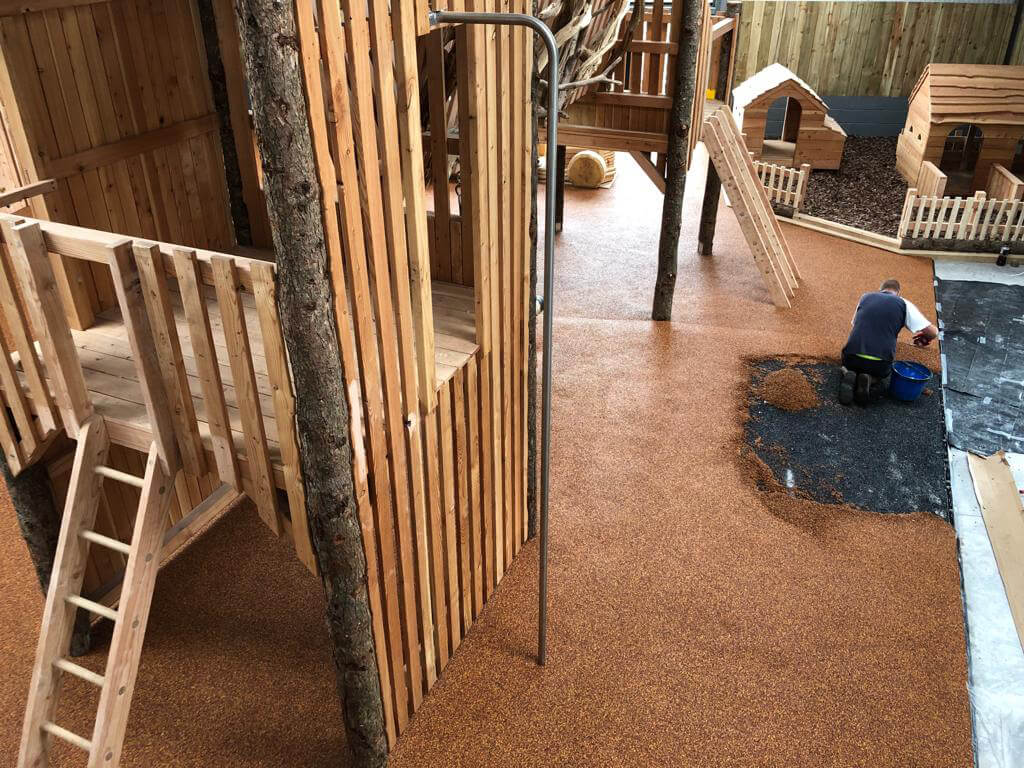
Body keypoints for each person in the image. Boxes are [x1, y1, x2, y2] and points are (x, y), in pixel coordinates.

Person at [839, 278, 938, 405]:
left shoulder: (865, 297)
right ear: (898, 293)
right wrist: (925, 338)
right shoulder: (903, 303)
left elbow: (856, 325)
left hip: (852, 357)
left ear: (880, 290)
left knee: (848, 361)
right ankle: (871, 379)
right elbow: (933, 332)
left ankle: (848, 372)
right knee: (883, 373)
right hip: (879, 364)